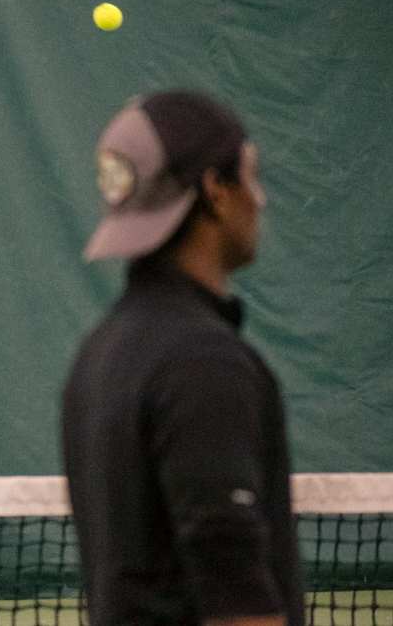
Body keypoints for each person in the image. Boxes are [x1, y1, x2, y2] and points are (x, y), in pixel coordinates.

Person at [61, 91, 303, 625]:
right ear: (216, 190)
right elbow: (233, 581)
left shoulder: (98, 356)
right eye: (250, 176)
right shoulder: (203, 362)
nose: (259, 199)